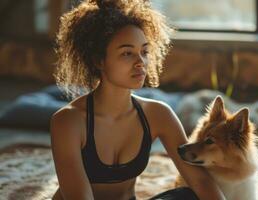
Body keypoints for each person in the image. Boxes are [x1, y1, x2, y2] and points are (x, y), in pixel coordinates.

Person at [50, 0, 226, 199]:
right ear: (98, 60)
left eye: (144, 52)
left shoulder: (158, 114)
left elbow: (200, 181)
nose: (140, 62)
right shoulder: (68, 121)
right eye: (127, 53)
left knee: (188, 197)